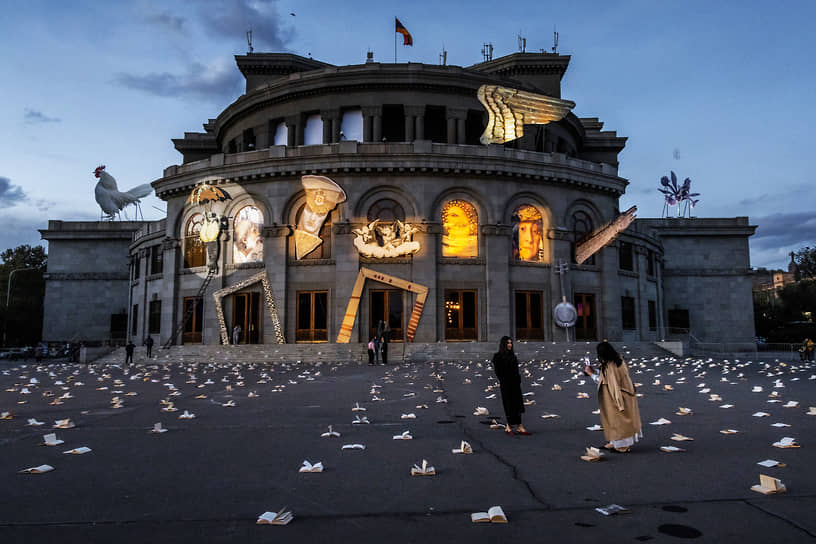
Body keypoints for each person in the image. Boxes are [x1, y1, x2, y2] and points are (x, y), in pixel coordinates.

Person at [584, 341, 642, 453]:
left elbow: (608, 382)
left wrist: (591, 374)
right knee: (615, 419)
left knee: (620, 420)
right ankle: (614, 442)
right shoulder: (616, 361)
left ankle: (622, 446)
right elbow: (606, 376)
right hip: (623, 393)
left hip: (619, 395)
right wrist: (594, 371)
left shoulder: (612, 366)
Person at [492, 336, 529, 435]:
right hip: (506, 384)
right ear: (504, 344)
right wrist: (504, 381)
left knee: (518, 404)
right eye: (508, 343)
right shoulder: (497, 357)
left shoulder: (513, 356)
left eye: (511, 343)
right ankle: (508, 426)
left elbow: (516, 370)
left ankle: (519, 426)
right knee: (508, 404)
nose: (510, 345)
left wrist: (518, 379)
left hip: (515, 383)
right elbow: (498, 372)